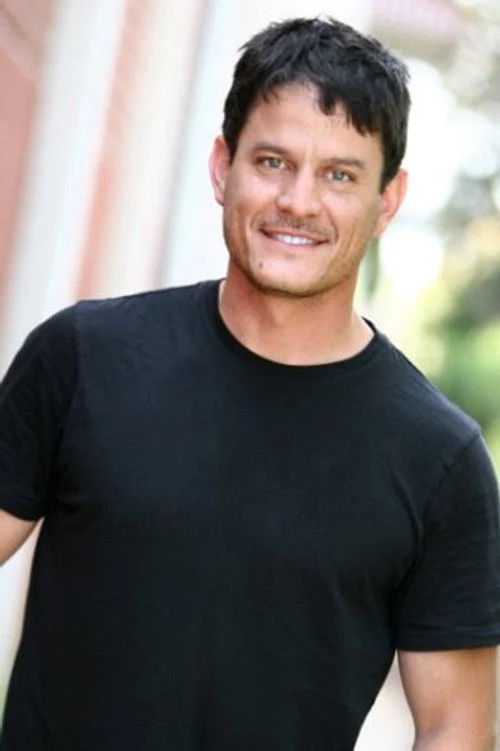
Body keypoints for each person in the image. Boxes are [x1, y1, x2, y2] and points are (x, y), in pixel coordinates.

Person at [0, 15, 499, 751]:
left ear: (387, 201)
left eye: (339, 174)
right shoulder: (82, 357)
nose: (298, 201)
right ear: (221, 167)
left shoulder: (439, 462)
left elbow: (457, 728)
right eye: (272, 161)